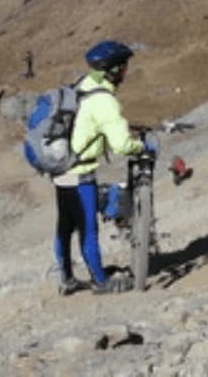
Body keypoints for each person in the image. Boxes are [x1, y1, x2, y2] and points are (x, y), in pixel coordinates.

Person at [53, 40, 156, 295]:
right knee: (88, 228)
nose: (126, 72)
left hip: (61, 167)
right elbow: (121, 145)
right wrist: (141, 147)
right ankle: (100, 282)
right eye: (124, 67)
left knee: (65, 227)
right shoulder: (104, 101)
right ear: (113, 69)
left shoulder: (83, 85)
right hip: (80, 174)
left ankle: (66, 279)